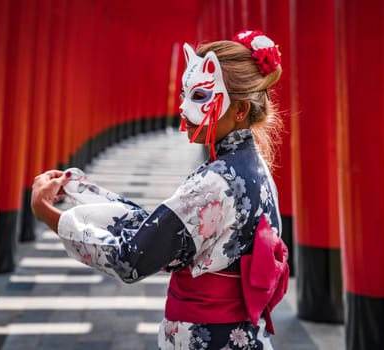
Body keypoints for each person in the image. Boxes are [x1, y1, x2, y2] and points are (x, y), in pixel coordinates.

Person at [31, 29, 289, 350]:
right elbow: (163, 229)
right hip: (242, 337)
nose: (182, 108)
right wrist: (80, 189)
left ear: (239, 111)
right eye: (184, 94)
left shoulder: (214, 181)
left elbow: (131, 258)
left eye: (198, 97)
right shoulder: (254, 168)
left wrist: (48, 214)